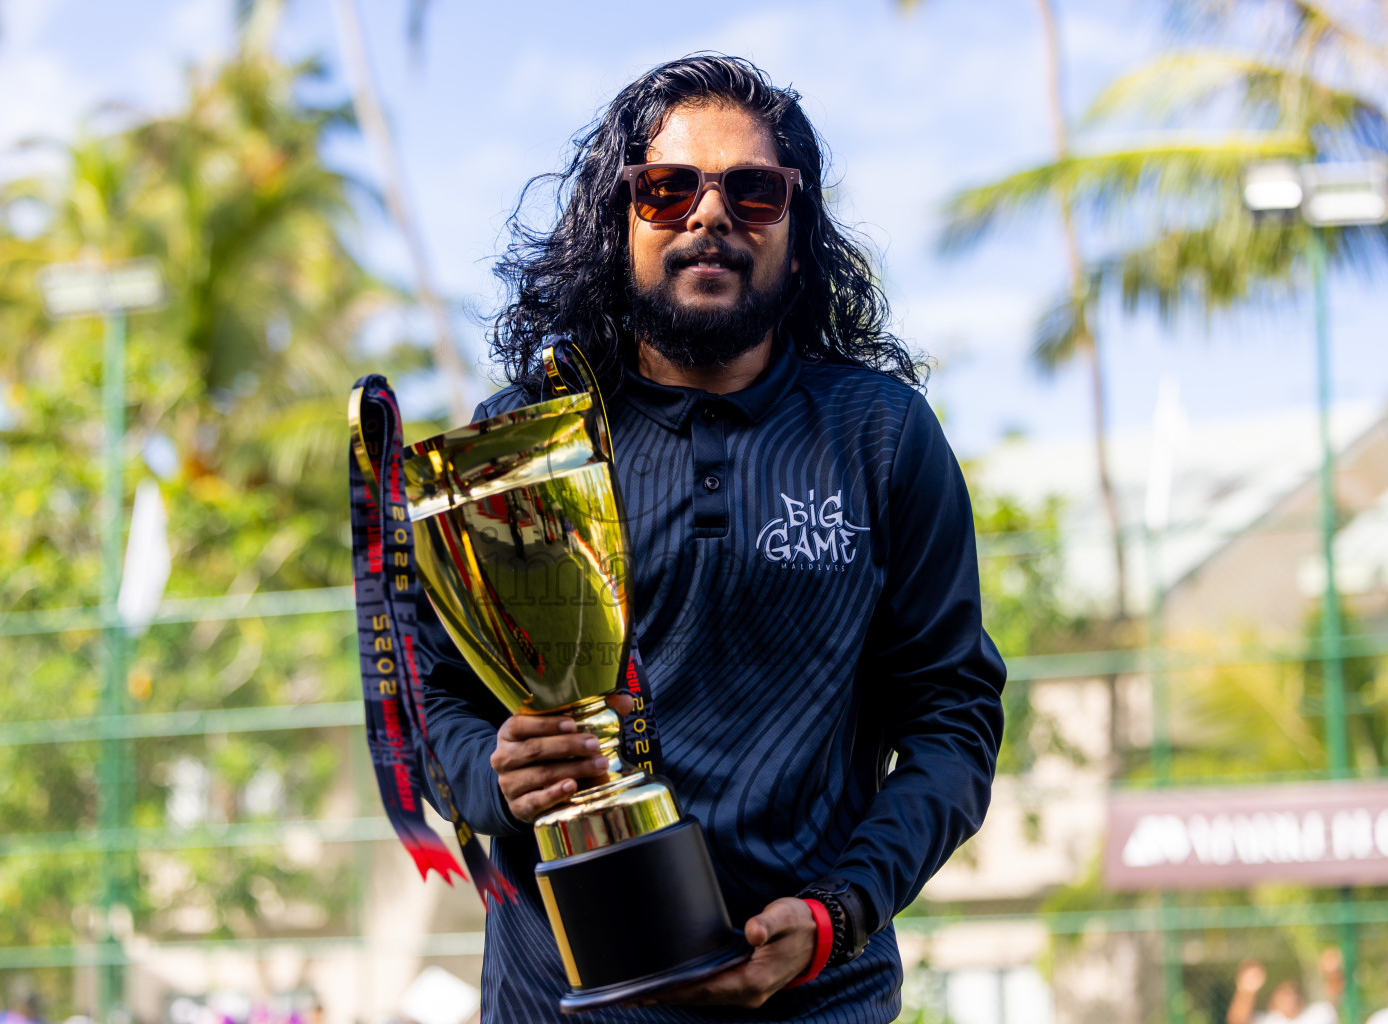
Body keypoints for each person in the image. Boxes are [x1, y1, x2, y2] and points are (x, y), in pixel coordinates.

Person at [416, 54, 1005, 1021]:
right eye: (667, 188)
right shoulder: (524, 442)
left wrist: (837, 914)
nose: (709, 213)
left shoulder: (883, 437)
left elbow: (953, 721)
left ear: (799, 232)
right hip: (559, 999)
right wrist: (491, 775)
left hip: (819, 995)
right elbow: (432, 702)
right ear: (620, 226)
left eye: (754, 190)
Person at [1227, 951, 1345, 1024]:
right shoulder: (1270, 1021)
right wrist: (1247, 990)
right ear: (1272, 1003)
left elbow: (1334, 995)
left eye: (1293, 993)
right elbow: (1237, 1021)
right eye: (1285, 994)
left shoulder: (1316, 1015)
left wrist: (1332, 973)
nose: (1291, 998)